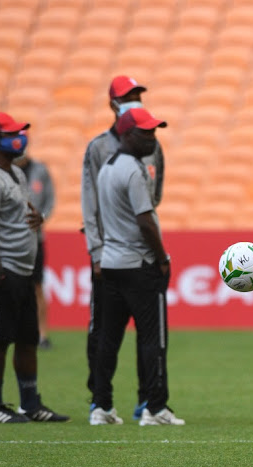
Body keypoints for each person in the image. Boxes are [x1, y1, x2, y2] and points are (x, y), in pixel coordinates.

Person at [0, 112, 68, 423]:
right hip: (2, 270)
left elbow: (22, 213)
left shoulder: (16, 173)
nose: (21, 138)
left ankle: (30, 403)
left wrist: (37, 219)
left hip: (22, 270)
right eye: (13, 134)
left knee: (28, 338)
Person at [89, 107, 183, 426]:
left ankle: (101, 406)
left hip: (112, 263)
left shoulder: (108, 167)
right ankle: (154, 409)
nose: (152, 138)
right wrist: (162, 257)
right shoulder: (134, 170)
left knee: (108, 337)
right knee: (152, 338)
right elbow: (145, 220)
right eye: (146, 132)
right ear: (127, 134)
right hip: (138, 264)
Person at [81, 75, 165, 419]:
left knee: (115, 333)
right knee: (111, 333)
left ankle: (137, 400)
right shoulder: (99, 148)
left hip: (124, 252)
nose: (134, 100)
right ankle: (105, 400)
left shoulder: (151, 146)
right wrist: (96, 250)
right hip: (121, 254)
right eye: (128, 96)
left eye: (137, 95)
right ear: (113, 103)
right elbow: (92, 204)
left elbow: (154, 193)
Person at [15, 151, 55, 350]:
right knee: (15, 287)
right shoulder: (6, 171)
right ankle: (17, 331)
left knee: (37, 286)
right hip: (12, 240)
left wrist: (43, 217)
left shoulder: (40, 169)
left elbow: (50, 199)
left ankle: (43, 334)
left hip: (35, 238)